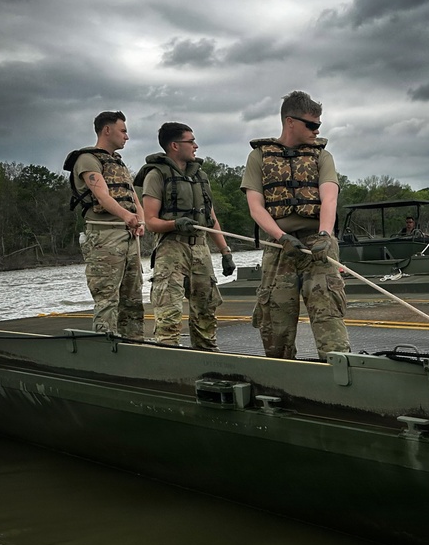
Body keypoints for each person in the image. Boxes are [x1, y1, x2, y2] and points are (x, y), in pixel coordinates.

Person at [240, 91, 350, 360]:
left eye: (318, 125)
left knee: (328, 314)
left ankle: (339, 372)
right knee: (275, 322)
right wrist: (280, 237)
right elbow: (256, 206)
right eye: (311, 125)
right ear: (290, 121)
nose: (317, 130)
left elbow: (329, 197)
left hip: (317, 243)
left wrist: (325, 233)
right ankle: (282, 377)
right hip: (280, 246)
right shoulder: (259, 157)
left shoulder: (322, 157)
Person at [135, 122, 235, 349]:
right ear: (174, 145)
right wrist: (175, 223)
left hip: (200, 249)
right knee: (169, 314)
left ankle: (207, 357)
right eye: (190, 141)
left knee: (206, 311)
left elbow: (210, 218)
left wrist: (225, 251)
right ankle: (169, 362)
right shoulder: (156, 175)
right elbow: (150, 221)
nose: (195, 146)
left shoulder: (200, 176)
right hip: (172, 250)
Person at [62, 110, 145, 339]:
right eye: (123, 131)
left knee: (133, 299)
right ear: (107, 130)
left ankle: (134, 344)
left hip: (128, 238)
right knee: (107, 298)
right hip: (104, 238)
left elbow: (133, 197)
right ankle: (106, 347)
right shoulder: (87, 160)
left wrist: (141, 220)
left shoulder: (118, 163)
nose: (126, 137)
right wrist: (126, 217)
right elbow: (102, 196)